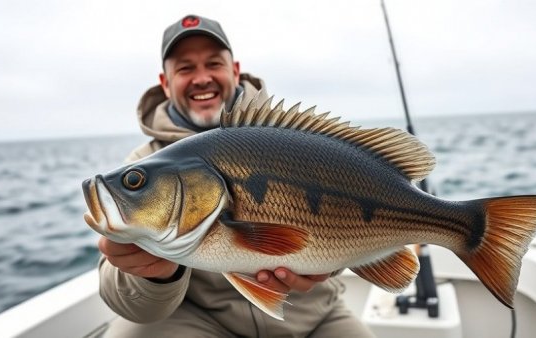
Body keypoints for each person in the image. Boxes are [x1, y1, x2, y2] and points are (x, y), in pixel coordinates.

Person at [97, 14, 376, 338]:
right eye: (185, 68)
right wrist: (152, 275)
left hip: (313, 312)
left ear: (235, 69)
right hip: (203, 321)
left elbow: (345, 206)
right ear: (165, 82)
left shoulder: (290, 138)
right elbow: (126, 300)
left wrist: (332, 262)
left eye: (213, 63)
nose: (202, 78)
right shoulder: (144, 166)